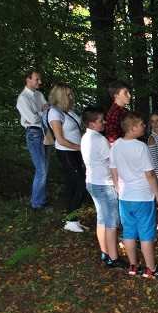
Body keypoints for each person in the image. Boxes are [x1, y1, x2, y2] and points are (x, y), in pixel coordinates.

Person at [110, 111, 158, 278]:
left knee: (129, 232)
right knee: (146, 233)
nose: (145, 126)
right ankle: (151, 269)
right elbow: (150, 174)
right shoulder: (141, 147)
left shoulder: (116, 145)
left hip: (125, 197)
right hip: (142, 197)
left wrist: (118, 189)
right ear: (132, 128)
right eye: (141, 124)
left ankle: (133, 265)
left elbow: (113, 171)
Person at [80, 106, 128, 270]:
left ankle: (105, 252)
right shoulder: (99, 139)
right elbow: (112, 160)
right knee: (112, 222)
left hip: (92, 182)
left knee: (102, 219)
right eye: (101, 120)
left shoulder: (86, 137)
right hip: (104, 184)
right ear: (92, 124)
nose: (105, 122)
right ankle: (113, 258)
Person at [47, 83, 87, 232]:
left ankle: (72, 220)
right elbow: (60, 139)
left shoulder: (68, 111)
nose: (71, 97)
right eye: (68, 94)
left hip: (75, 151)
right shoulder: (54, 113)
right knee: (82, 183)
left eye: (71, 94)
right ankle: (71, 219)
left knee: (71, 185)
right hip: (66, 151)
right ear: (60, 95)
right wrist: (80, 147)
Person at [16, 68, 50, 210]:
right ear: (28, 79)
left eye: (40, 79)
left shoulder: (39, 94)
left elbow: (47, 111)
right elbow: (33, 119)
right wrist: (41, 113)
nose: (39, 82)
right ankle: (36, 204)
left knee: (44, 170)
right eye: (37, 79)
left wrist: (40, 113)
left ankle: (40, 200)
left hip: (45, 132)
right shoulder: (22, 99)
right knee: (41, 170)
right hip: (34, 133)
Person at [105, 79, 133, 144]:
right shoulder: (115, 113)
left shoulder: (123, 111)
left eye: (129, 92)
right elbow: (112, 138)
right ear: (116, 96)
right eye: (125, 93)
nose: (129, 95)